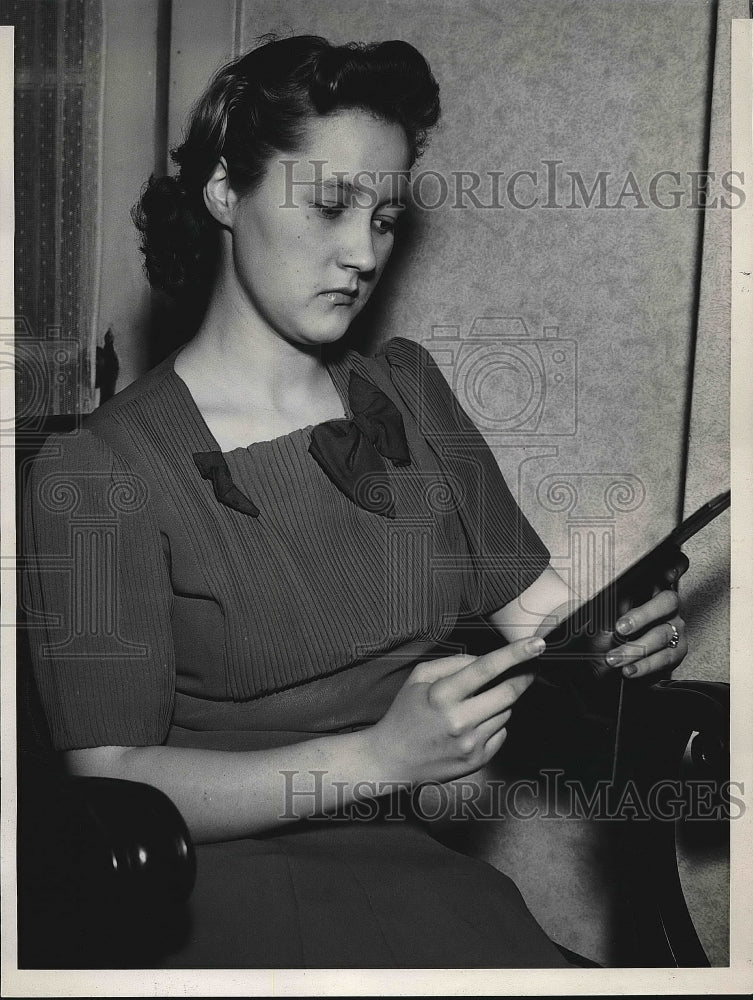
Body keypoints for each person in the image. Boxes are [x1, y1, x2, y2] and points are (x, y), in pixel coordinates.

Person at [22, 35, 688, 968]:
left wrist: (616, 637)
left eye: (383, 217)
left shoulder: (407, 392)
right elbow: (110, 779)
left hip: (416, 875)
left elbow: (541, 619)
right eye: (331, 204)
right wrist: (375, 760)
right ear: (224, 190)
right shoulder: (94, 472)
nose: (363, 251)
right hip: (211, 895)